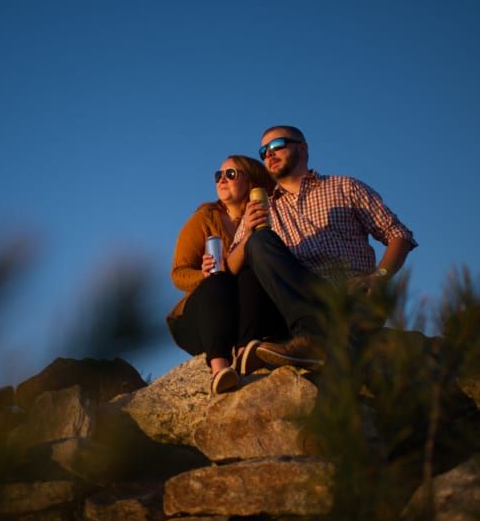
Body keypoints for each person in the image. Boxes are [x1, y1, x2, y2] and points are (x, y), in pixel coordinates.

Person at [230, 125, 418, 368]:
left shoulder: (345, 187)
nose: (268, 154)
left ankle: (314, 340)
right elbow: (232, 268)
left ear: (303, 148)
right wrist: (246, 234)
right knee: (258, 240)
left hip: (349, 294)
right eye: (263, 150)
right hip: (294, 301)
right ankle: (310, 337)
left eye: (277, 146)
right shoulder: (263, 208)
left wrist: (379, 277)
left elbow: (399, 234)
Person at [167, 155, 282, 394]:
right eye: (218, 175)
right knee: (219, 279)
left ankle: (245, 353)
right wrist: (204, 274)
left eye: (230, 174)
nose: (221, 180)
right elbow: (178, 274)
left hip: (244, 316)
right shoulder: (205, 219)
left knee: (250, 273)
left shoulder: (271, 215)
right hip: (203, 318)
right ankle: (219, 369)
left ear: (251, 182)